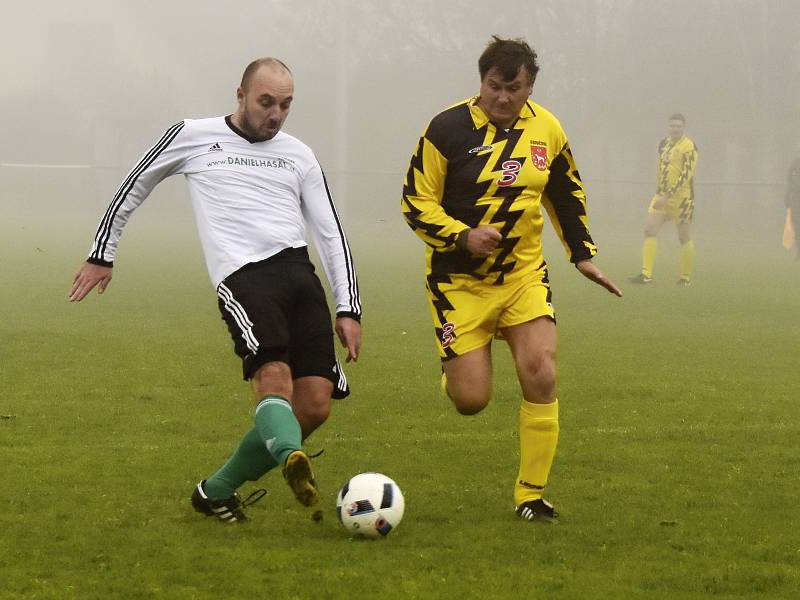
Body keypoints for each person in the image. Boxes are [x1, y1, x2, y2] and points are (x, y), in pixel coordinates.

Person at [69, 58, 362, 523]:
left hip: (300, 277)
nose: (275, 114)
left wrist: (349, 307)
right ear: (240, 95)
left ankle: (216, 490)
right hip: (244, 276)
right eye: (266, 102)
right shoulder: (192, 134)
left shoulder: (299, 154)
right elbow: (136, 183)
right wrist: (102, 252)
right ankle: (290, 458)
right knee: (273, 380)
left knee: (315, 404)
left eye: (285, 105)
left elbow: (330, 232)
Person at [401, 36, 621, 523]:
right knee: (471, 400)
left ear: (530, 87)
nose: (501, 97)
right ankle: (456, 370)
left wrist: (582, 254)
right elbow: (415, 203)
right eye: (493, 86)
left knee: (542, 370)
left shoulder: (548, 129)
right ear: (481, 82)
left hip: (522, 277)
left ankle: (531, 495)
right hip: (459, 284)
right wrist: (462, 236)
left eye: (513, 88)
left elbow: (566, 192)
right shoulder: (447, 129)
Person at [629, 114, 699, 286]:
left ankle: (685, 278)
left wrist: (668, 195)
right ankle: (646, 275)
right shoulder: (663, 144)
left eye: (678, 126)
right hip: (661, 196)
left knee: (684, 237)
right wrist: (660, 192)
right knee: (649, 230)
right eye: (672, 126)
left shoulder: (689, 146)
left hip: (683, 199)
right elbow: (661, 169)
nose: (675, 129)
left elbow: (686, 174)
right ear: (668, 127)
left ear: (684, 127)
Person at [784, 157, 800, 258]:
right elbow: (789, 181)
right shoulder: (795, 163)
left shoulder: (795, 163)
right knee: (797, 227)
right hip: (796, 202)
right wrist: (787, 198)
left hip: (795, 201)